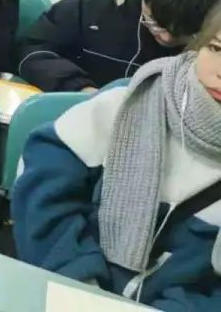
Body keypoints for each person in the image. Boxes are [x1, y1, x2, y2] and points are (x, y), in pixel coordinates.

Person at [11, 33, 221, 309]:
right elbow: (43, 201)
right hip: (63, 290)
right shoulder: (127, 102)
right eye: (216, 48)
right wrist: (78, 283)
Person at [18, 0, 221, 92]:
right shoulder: (96, 5)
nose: (167, 38)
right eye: (155, 23)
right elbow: (35, 49)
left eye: (184, 33)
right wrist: (81, 88)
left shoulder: (215, 33)